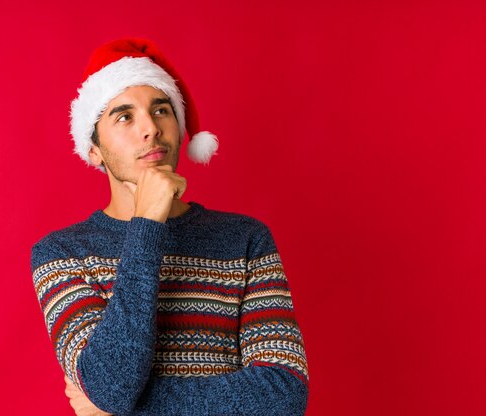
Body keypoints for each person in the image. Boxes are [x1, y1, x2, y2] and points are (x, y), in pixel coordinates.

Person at [31, 38, 309, 416]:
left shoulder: (246, 239)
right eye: (124, 116)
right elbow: (111, 383)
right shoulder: (61, 253)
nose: (150, 128)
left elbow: (283, 394)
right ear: (93, 148)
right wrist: (147, 225)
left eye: (161, 110)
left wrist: (132, 408)